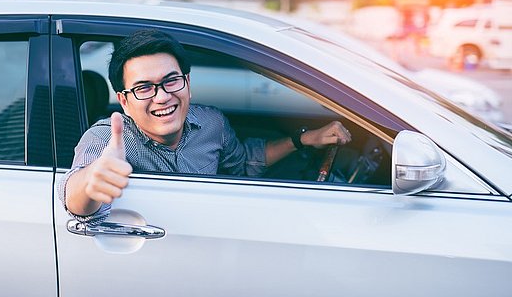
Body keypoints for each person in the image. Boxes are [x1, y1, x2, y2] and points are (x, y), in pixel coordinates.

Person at [60, 29, 351, 220]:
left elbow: (246, 161)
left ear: (187, 83)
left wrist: (303, 139)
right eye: (144, 88)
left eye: (170, 81)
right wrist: (91, 182)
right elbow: (73, 197)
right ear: (124, 101)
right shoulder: (108, 139)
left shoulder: (211, 122)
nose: (162, 97)